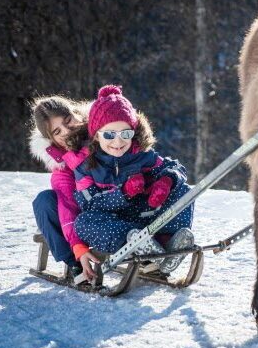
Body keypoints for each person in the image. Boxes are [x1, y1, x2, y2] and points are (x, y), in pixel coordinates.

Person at [70, 85, 195, 280]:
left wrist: (167, 180)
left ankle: (168, 243)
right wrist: (124, 193)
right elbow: (89, 203)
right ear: (96, 134)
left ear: (133, 133)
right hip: (119, 226)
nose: (118, 141)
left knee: (184, 190)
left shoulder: (143, 156)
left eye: (125, 134)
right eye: (110, 135)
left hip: (149, 220)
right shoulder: (86, 168)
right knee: (83, 223)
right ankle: (137, 245)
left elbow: (176, 168)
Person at [29, 95, 90, 278]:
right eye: (57, 131)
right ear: (52, 140)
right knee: (45, 201)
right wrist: (78, 247)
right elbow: (68, 204)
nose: (66, 131)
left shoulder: (104, 134)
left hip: (112, 205)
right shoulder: (61, 167)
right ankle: (74, 262)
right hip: (78, 214)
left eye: (68, 120)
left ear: (76, 114)